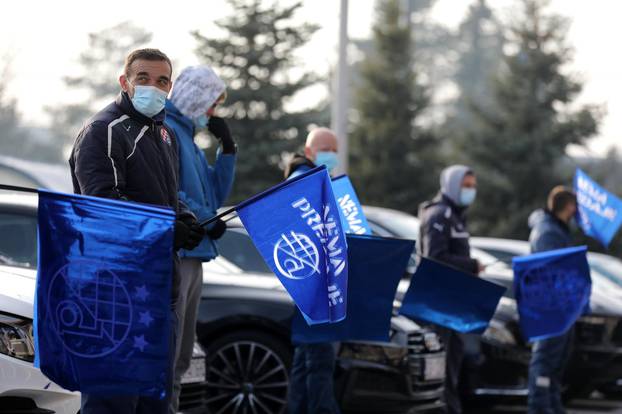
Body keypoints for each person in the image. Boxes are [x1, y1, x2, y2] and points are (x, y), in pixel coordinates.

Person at [69, 48, 204, 414]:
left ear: (170, 87)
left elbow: (170, 197)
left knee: (152, 406)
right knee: (110, 405)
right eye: (142, 78)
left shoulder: (166, 135)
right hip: (114, 295)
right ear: (124, 81)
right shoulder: (103, 130)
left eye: (161, 81)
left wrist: (186, 220)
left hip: (160, 289)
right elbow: (105, 207)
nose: (152, 87)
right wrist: (166, 230)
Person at [164, 65, 236, 414]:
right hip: (180, 251)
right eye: (211, 104)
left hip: (197, 254)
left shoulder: (190, 141)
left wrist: (228, 149)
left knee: (181, 354)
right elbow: (171, 190)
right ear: (195, 97)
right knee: (171, 351)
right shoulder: (168, 133)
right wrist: (205, 221)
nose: (213, 114)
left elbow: (215, 196)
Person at [417, 165, 483, 414]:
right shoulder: (439, 214)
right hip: (439, 305)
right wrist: (472, 265)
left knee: (452, 368)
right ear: (452, 184)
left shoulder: (455, 215)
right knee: (440, 370)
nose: (471, 191)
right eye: (466, 185)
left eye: (473, 186)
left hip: (454, 304)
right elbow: (434, 258)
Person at [285, 127, 341, 414]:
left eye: (334, 149)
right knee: (319, 360)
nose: (331, 154)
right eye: (325, 148)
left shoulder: (322, 181)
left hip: (318, 284)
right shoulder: (304, 182)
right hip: (314, 283)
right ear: (309, 152)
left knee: (306, 361)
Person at [526, 186, 577, 414]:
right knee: (545, 359)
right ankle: (539, 406)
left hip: (561, 306)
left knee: (556, 360)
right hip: (550, 306)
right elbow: (551, 270)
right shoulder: (548, 232)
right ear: (569, 206)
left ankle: (552, 405)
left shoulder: (556, 229)